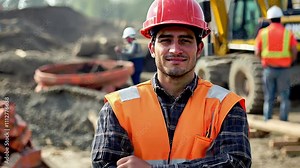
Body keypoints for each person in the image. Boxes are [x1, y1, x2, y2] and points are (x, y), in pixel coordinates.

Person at [91, 0, 252, 167]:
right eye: (166, 40)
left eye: (185, 41)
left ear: (199, 48)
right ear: (152, 48)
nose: (175, 49)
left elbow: (236, 163)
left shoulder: (226, 107)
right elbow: (104, 164)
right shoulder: (118, 108)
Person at [255, 5, 298, 121]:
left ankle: (267, 119)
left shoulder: (262, 33)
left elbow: (257, 51)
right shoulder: (288, 33)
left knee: (269, 96)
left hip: (269, 69)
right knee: (284, 97)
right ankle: (283, 120)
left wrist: (263, 61)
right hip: (284, 70)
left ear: (269, 19)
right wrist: (290, 61)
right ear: (281, 18)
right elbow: (294, 51)